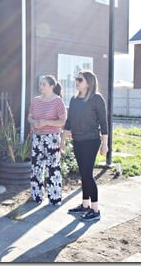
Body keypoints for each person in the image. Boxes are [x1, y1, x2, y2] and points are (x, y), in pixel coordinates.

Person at [61, 70, 108, 222]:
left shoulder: (96, 98)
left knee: (87, 175)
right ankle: (85, 205)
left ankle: (95, 210)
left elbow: (103, 122)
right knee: (83, 174)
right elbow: (69, 122)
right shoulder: (74, 100)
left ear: (88, 83)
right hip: (78, 140)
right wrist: (63, 140)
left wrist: (105, 144)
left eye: (79, 79)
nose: (76, 82)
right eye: (76, 79)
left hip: (91, 141)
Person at [27, 75, 67, 205]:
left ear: (51, 86)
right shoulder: (36, 100)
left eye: (44, 84)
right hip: (37, 138)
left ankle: (54, 198)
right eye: (40, 84)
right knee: (36, 167)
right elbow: (29, 117)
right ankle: (36, 196)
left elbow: (62, 121)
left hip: (52, 139)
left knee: (52, 168)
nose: (41, 86)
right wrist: (35, 123)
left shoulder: (58, 101)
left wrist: (45, 123)